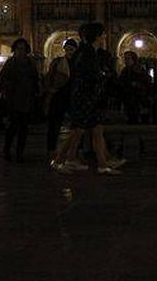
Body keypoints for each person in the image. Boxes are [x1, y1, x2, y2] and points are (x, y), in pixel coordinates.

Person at [51, 22, 122, 175]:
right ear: (97, 36)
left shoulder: (90, 52)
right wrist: (103, 75)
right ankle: (58, 161)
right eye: (102, 34)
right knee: (76, 131)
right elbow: (88, 76)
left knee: (97, 130)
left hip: (91, 97)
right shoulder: (86, 53)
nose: (105, 36)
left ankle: (102, 164)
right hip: (85, 98)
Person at [0, 38, 41, 163]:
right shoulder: (10, 63)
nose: (21, 51)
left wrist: (36, 91)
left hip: (26, 100)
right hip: (13, 100)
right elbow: (2, 79)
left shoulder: (30, 63)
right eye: (18, 49)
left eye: (23, 49)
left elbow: (35, 79)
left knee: (23, 129)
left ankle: (19, 153)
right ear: (14, 50)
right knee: (12, 128)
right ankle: (7, 150)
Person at [43, 38, 76, 155]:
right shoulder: (58, 62)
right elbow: (50, 76)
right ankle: (51, 149)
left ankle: (74, 150)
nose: (69, 51)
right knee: (54, 124)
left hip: (72, 96)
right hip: (58, 96)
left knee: (76, 126)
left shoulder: (78, 63)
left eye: (72, 49)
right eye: (68, 49)